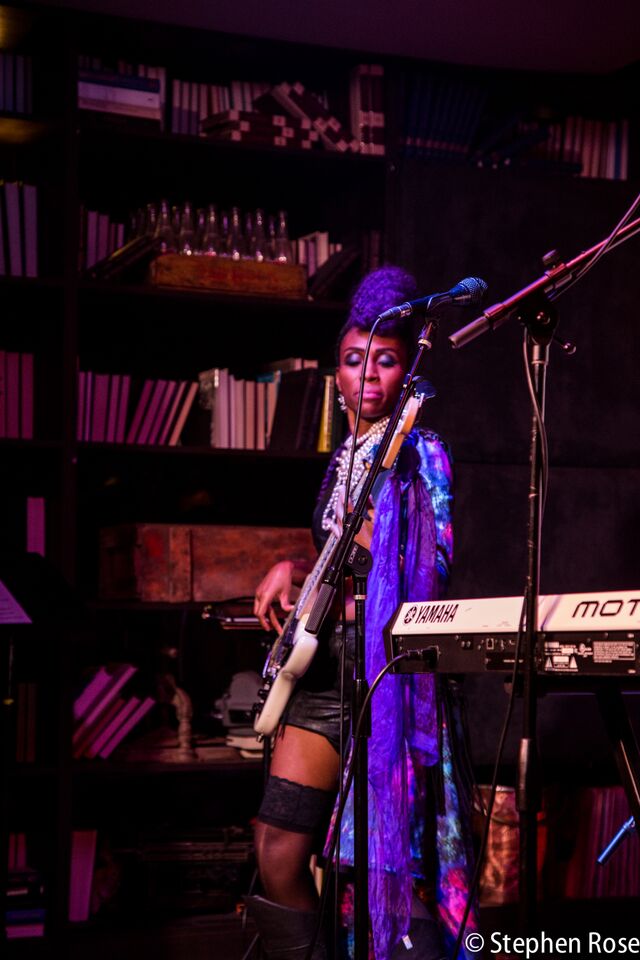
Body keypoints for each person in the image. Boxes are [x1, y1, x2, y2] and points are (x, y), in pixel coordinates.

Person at [246, 267, 475, 960]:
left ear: (407, 372)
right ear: (336, 374)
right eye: (354, 360)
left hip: (382, 678)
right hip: (322, 670)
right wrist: (293, 566)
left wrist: (382, 549)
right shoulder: (346, 455)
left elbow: (434, 568)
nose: (367, 374)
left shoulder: (420, 450)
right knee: (277, 847)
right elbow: (336, 552)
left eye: (386, 360)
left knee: (381, 866)